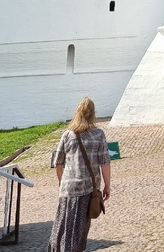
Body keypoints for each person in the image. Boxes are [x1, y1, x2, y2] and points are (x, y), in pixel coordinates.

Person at [49, 99, 110, 252]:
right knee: (79, 228)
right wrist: (107, 186)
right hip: (87, 187)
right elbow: (104, 162)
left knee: (62, 224)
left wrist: (62, 182)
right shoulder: (98, 134)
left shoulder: (67, 134)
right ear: (93, 114)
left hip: (67, 188)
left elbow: (58, 163)